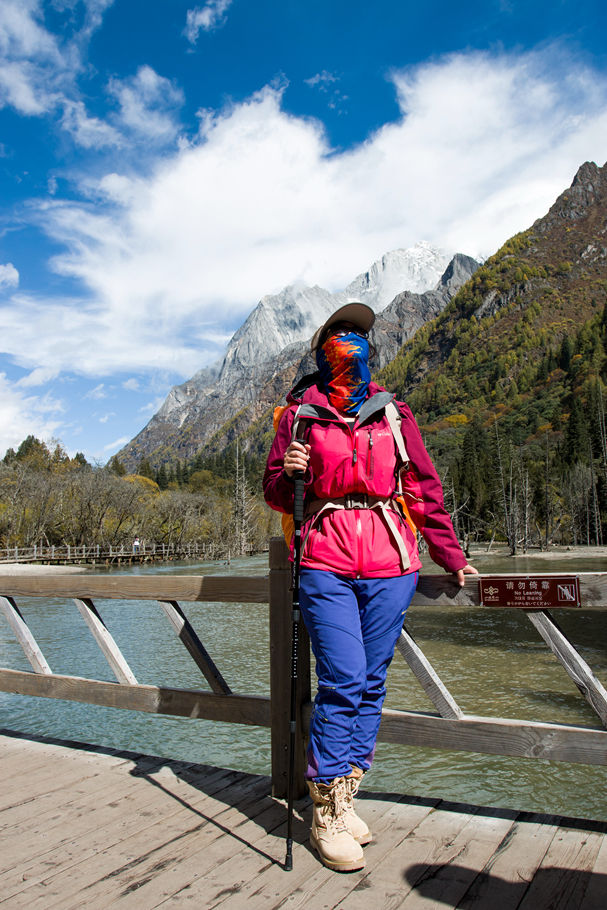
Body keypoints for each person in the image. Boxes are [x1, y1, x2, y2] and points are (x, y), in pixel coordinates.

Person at [263, 302, 477, 872]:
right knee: (344, 679)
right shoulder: (298, 417)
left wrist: (449, 555)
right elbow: (276, 494)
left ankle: (347, 793)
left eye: (359, 335)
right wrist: (290, 472)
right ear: (321, 352)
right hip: (325, 559)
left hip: (391, 563)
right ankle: (324, 809)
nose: (350, 343)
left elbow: (424, 489)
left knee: (373, 682)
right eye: (339, 336)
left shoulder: (393, 414)